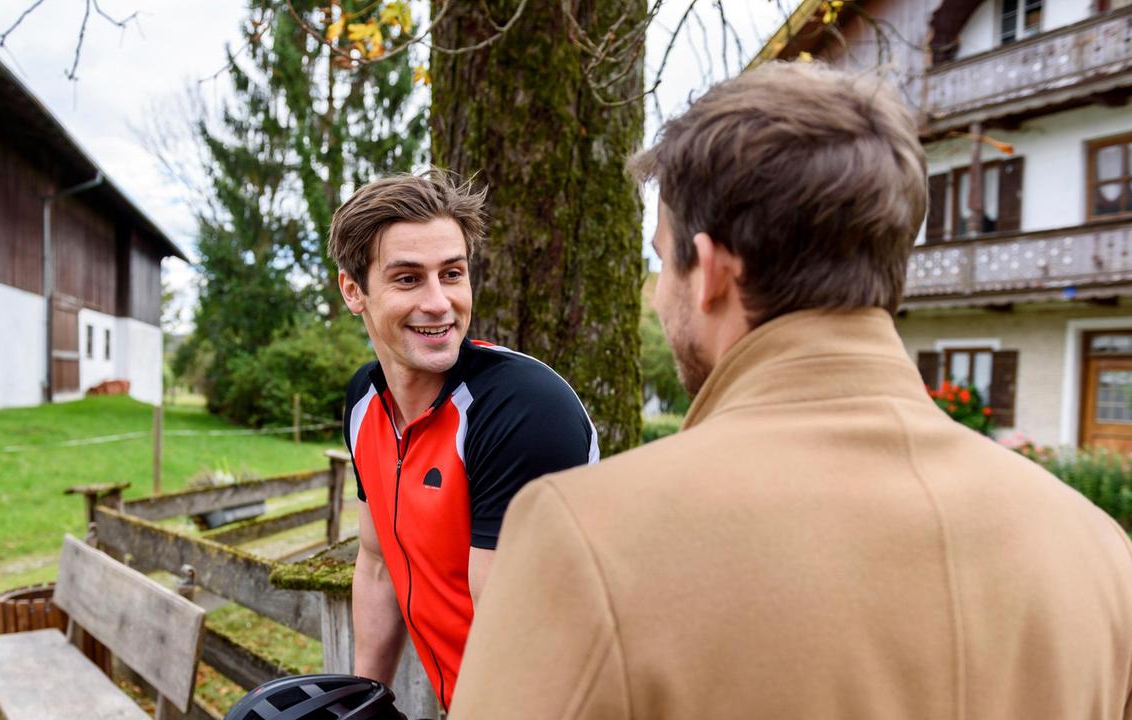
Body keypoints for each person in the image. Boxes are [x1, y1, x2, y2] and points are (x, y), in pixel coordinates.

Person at [449, 62, 1132, 719]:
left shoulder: (586, 535)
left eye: (662, 261)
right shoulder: (1100, 552)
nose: (659, 294)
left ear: (711, 270)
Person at [328, 171, 599, 712]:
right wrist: (364, 702)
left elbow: (516, 637)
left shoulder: (521, 408)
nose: (439, 303)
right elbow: (378, 561)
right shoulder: (365, 401)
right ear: (353, 290)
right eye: (408, 279)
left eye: (451, 273)